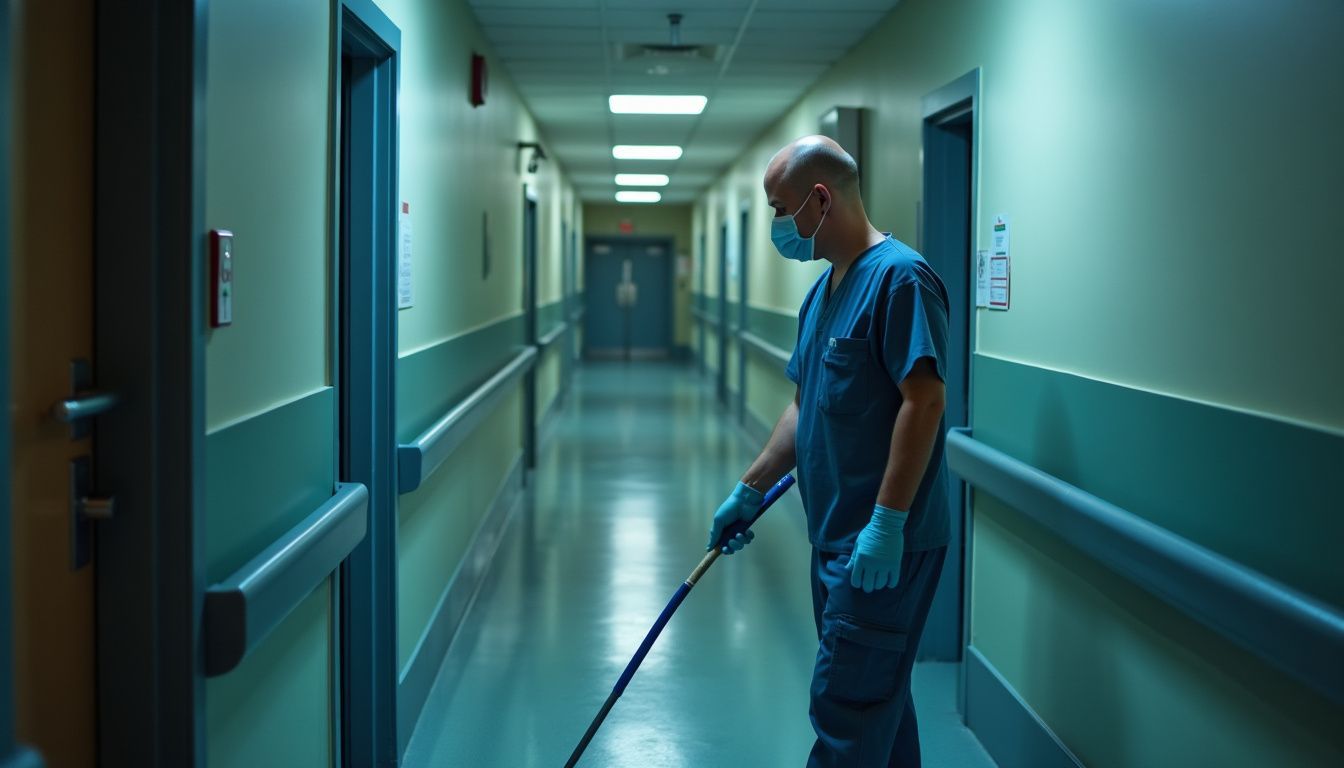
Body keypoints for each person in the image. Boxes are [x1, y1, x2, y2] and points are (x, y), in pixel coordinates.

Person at [706, 135, 951, 767]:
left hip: (878, 544)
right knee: (878, 710)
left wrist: (888, 522)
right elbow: (803, 405)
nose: (776, 224)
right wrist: (750, 489)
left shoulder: (900, 279)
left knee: (847, 712)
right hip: (835, 535)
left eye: (778, 207)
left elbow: (923, 402)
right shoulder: (824, 291)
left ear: (820, 199)